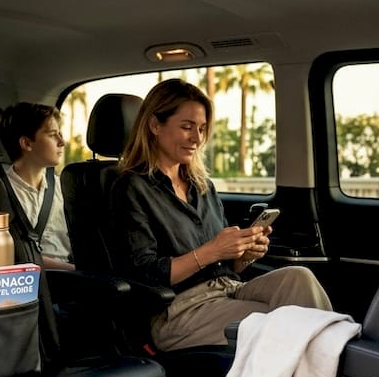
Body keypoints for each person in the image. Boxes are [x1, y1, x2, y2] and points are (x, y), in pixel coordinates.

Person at [111, 78, 331, 351]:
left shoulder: (202, 186)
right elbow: (143, 274)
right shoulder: (131, 187)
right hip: (177, 310)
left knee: (299, 277)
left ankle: (328, 375)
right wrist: (213, 251)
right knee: (286, 325)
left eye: (202, 129)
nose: (197, 138)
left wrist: (244, 254)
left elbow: (224, 262)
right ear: (155, 125)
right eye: (187, 127)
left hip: (226, 288)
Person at [0, 102, 75, 270]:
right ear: (27, 143)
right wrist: (76, 271)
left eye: (60, 134)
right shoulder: (0, 194)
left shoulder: (64, 189)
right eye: (53, 134)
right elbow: (8, 257)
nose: (62, 142)